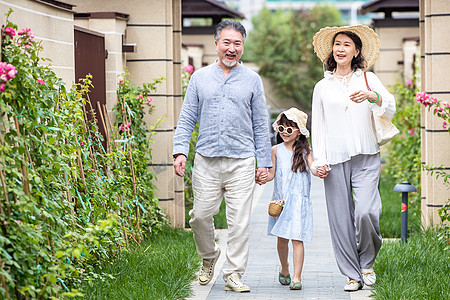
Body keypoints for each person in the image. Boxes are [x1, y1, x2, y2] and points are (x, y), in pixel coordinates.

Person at [172, 20, 272, 293]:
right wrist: (180, 151)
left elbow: (260, 124)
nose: (231, 48)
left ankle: (233, 274)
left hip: (242, 161)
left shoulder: (252, 80)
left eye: (237, 43)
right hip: (207, 160)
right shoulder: (200, 78)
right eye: (226, 42)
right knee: (200, 216)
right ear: (216, 43)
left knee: (239, 223)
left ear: (242, 46)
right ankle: (209, 257)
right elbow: (187, 118)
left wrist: (264, 162)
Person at [310, 25, 396, 291]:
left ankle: (367, 263)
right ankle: (351, 274)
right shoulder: (322, 86)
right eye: (337, 44)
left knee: (367, 212)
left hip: (367, 156)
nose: (341, 48)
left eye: (347, 44)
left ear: (357, 50)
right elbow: (319, 126)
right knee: (340, 219)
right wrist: (318, 161)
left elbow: (390, 106)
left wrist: (373, 96)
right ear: (331, 50)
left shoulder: (368, 79)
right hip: (334, 160)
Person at [258, 108, 324, 291]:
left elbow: (313, 168)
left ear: (299, 131)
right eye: (281, 129)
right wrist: (263, 176)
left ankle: (296, 276)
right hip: (281, 202)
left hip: (299, 202)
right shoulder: (275, 150)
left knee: (297, 239)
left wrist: (320, 170)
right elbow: (271, 174)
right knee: (281, 239)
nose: (284, 133)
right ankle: (285, 268)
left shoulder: (305, 151)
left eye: (289, 129)